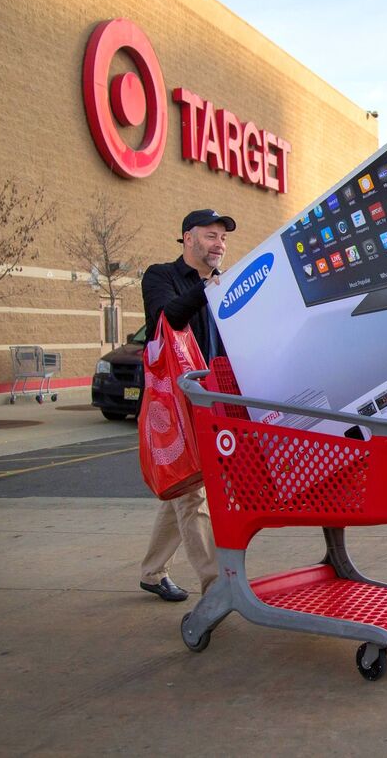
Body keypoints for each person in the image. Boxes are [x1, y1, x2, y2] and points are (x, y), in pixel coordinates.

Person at [137, 208, 236, 602]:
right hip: (175, 404)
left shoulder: (221, 286)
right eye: (211, 236)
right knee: (194, 491)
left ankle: (151, 570)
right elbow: (166, 317)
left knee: (185, 485)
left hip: (212, 401)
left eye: (223, 238)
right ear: (188, 238)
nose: (220, 244)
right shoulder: (161, 276)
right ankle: (217, 586)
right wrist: (207, 286)